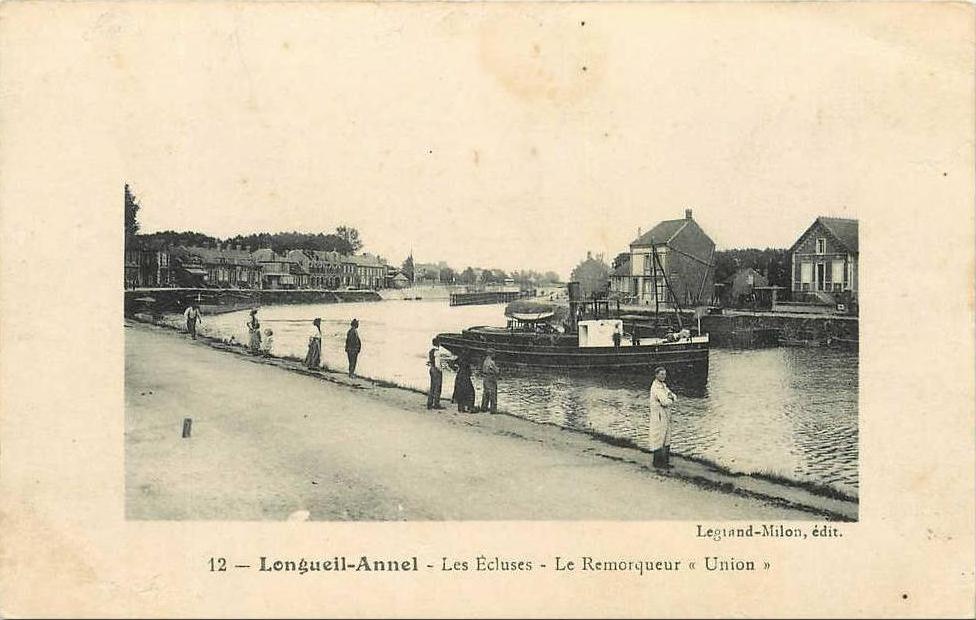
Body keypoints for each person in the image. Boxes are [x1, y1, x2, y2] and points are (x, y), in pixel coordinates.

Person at [649, 366, 678, 468]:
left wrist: (671, 398)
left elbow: (674, 396)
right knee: (659, 437)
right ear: (656, 375)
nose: (663, 376)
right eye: (661, 374)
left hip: (665, 414)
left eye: (664, 374)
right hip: (659, 416)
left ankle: (665, 462)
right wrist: (671, 399)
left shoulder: (663, 386)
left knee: (667, 437)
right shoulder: (656, 387)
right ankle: (657, 462)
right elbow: (665, 402)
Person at [426, 342, 445, 410]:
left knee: (432, 387)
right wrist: (441, 369)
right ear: (438, 344)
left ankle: (429, 403)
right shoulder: (437, 352)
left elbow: (428, 362)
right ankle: (436, 404)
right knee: (438, 387)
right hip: (436, 370)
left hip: (431, 369)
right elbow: (437, 364)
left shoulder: (430, 351)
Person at [481, 349, 499, 414]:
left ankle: (484, 407)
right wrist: (498, 369)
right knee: (493, 393)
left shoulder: (485, 361)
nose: (495, 355)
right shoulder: (492, 362)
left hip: (485, 377)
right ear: (491, 354)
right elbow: (497, 371)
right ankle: (493, 409)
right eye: (494, 354)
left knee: (486, 393)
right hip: (491, 378)